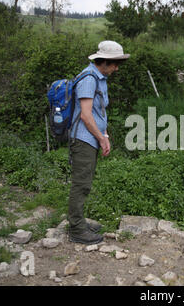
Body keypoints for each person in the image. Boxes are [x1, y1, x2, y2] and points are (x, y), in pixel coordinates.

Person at [68, 40, 130, 244]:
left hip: (92, 138)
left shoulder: (100, 77)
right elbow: (86, 116)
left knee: (85, 181)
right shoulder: (88, 79)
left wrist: (105, 137)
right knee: (81, 183)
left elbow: (99, 111)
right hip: (84, 138)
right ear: (103, 61)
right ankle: (77, 229)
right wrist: (100, 137)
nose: (116, 68)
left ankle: (79, 221)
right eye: (114, 64)